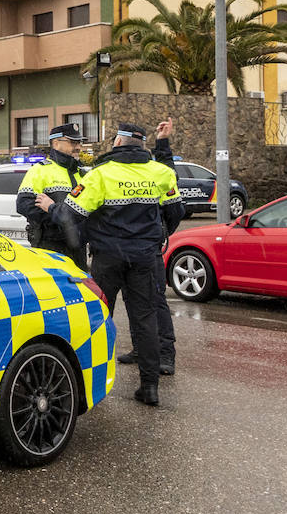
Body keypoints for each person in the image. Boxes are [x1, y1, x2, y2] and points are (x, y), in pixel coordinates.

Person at [38, 123, 184, 406]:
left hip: (108, 258)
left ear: (118, 141)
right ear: (142, 145)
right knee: (146, 319)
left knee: (97, 316)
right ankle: (150, 387)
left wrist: (50, 208)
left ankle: (89, 384)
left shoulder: (99, 175)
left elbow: (70, 214)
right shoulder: (161, 173)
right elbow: (176, 212)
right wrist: (154, 236)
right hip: (145, 257)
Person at [115, 118, 181, 374]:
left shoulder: (153, 169)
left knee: (154, 301)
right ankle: (141, 348)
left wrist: (160, 233)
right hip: (129, 249)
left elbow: (174, 207)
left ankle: (165, 354)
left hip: (147, 249)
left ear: (119, 142)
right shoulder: (122, 170)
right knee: (134, 300)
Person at [16, 122, 88, 267]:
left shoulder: (82, 173)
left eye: (79, 142)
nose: (78, 147)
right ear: (55, 143)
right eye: (72, 142)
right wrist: (60, 221)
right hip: (51, 245)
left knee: (79, 288)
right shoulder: (40, 170)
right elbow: (24, 205)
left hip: (78, 247)